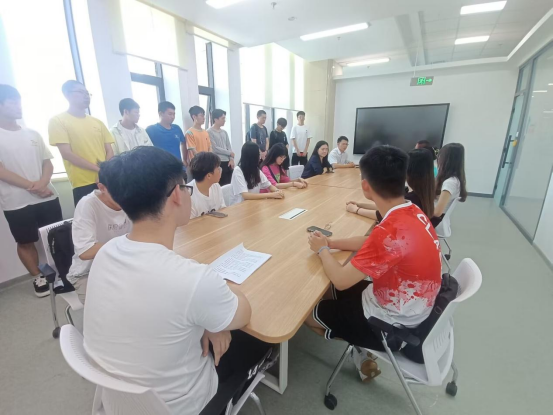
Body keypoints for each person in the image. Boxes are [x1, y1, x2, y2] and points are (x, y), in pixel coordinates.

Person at [83, 146, 270, 415]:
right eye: (186, 187)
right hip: (187, 406)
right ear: (176, 196)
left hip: (118, 404)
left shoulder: (106, 252)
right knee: (259, 340)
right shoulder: (192, 280)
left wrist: (206, 318)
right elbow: (243, 313)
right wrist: (211, 310)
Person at [305, 145, 442, 382]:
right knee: (328, 290)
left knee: (307, 315)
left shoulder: (391, 231)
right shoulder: (411, 210)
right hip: (412, 307)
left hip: (392, 325)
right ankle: (359, 347)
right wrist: (332, 242)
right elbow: (372, 241)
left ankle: (359, 345)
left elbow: (341, 279)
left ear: (365, 186)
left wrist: (322, 249)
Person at [0, 84, 63, 298]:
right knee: (25, 241)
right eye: (12, 101)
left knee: (57, 235)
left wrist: (43, 183)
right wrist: (33, 187)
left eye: (19, 100)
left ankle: (62, 271)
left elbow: (48, 162)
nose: (18, 105)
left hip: (47, 196)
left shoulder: (33, 133)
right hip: (16, 201)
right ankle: (38, 277)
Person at [66, 166, 131, 303]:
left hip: (122, 264)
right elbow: (85, 251)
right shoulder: (88, 205)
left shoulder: (134, 199)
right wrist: (128, 244)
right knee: (106, 310)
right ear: (102, 187)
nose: (126, 195)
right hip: (88, 272)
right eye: (119, 190)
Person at [49, 80, 114, 206]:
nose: (86, 96)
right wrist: (100, 170)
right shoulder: (58, 121)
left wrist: (104, 172)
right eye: (80, 92)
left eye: (87, 93)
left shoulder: (97, 122)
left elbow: (109, 150)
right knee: (88, 217)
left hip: (106, 180)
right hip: (83, 183)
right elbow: (67, 154)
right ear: (67, 95)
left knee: (113, 215)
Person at [347, 149, 442, 227]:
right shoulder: (424, 192)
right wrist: (360, 205)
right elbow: (388, 206)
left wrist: (356, 210)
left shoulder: (411, 200)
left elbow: (383, 214)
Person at [146, 101, 187, 181]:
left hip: (178, 168)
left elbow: (183, 143)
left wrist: (184, 159)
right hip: (161, 170)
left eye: (174, 114)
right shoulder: (151, 130)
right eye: (170, 114)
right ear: (161, 113)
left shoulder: (176, 128)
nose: (173, 117)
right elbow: (146, 150)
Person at [434, 143, 467, 233]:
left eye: (440, 156)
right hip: (439, 219)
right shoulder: (455, 179)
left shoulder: (450, 183)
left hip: (435, 221)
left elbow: (437, 212)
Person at [188, 152, 226, 219]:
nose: (220, 170)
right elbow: (190, 223)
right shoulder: (188, 194)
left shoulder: (216, 186)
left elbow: (222, 209)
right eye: (218, 168)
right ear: (209, 176)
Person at [208, 109, 234, 186]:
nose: (224, 120)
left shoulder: (224, 132)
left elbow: (229, 146)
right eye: (222, 118)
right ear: (216, 119)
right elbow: (214, 148)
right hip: (218, 162)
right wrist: (229, 153)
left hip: (228, 162)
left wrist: (231, 159)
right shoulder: (209, 132)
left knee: (229, 185)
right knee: (220, 185)